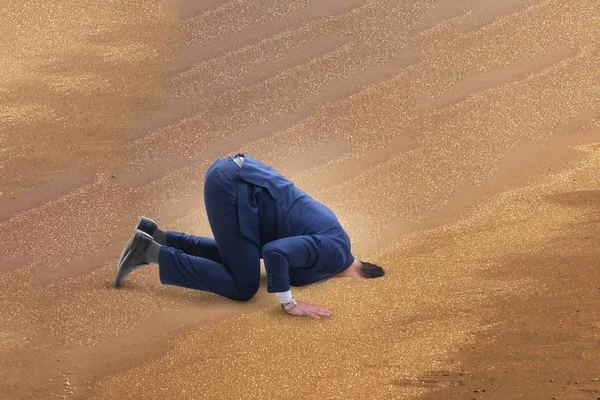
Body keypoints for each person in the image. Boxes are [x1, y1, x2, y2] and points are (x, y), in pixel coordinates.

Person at [115, 153, 384, 318]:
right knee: (244, 286)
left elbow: (280, 255)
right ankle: (149, 252)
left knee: (243, 259)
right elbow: (275, 252)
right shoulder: (333, 254)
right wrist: (288, 303)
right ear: (357, 277)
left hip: (238, 177)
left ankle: (158, 236)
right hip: (233, 185)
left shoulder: (338, 243)